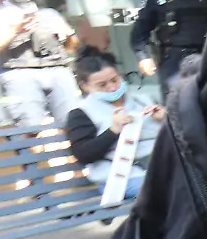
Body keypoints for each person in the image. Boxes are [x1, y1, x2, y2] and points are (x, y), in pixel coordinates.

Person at [64, 50, 161, 199]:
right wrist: (113, 130)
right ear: (85, 86)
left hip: (161, 167)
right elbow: (82, 154)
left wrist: (166, 118)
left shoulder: (142, 99)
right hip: (121, 178)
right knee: (169, 189)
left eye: (115, 80)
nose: (112, 87)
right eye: (102, 85)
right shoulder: (81, 113)